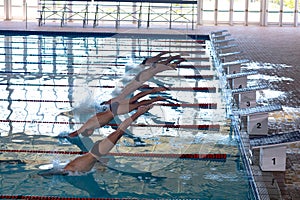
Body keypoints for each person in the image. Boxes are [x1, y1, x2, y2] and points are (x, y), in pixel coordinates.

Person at [68, 52, 185, 138]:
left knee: (136, 101)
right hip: (114, 107)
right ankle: (173, 63)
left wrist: (67, 137)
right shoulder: (93, 123)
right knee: (137, 101)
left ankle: (157, 94)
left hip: (116, 109)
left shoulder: (87, 126)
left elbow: (75, 133)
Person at [63, 104, 154, 173]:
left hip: (93, 154)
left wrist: (138, 113)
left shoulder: (92, 154)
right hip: (92, 155)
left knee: (119, 132)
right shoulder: (89, 158)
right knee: (119, 132)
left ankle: (139, 112)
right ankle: (139, 112)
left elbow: (120, 130)